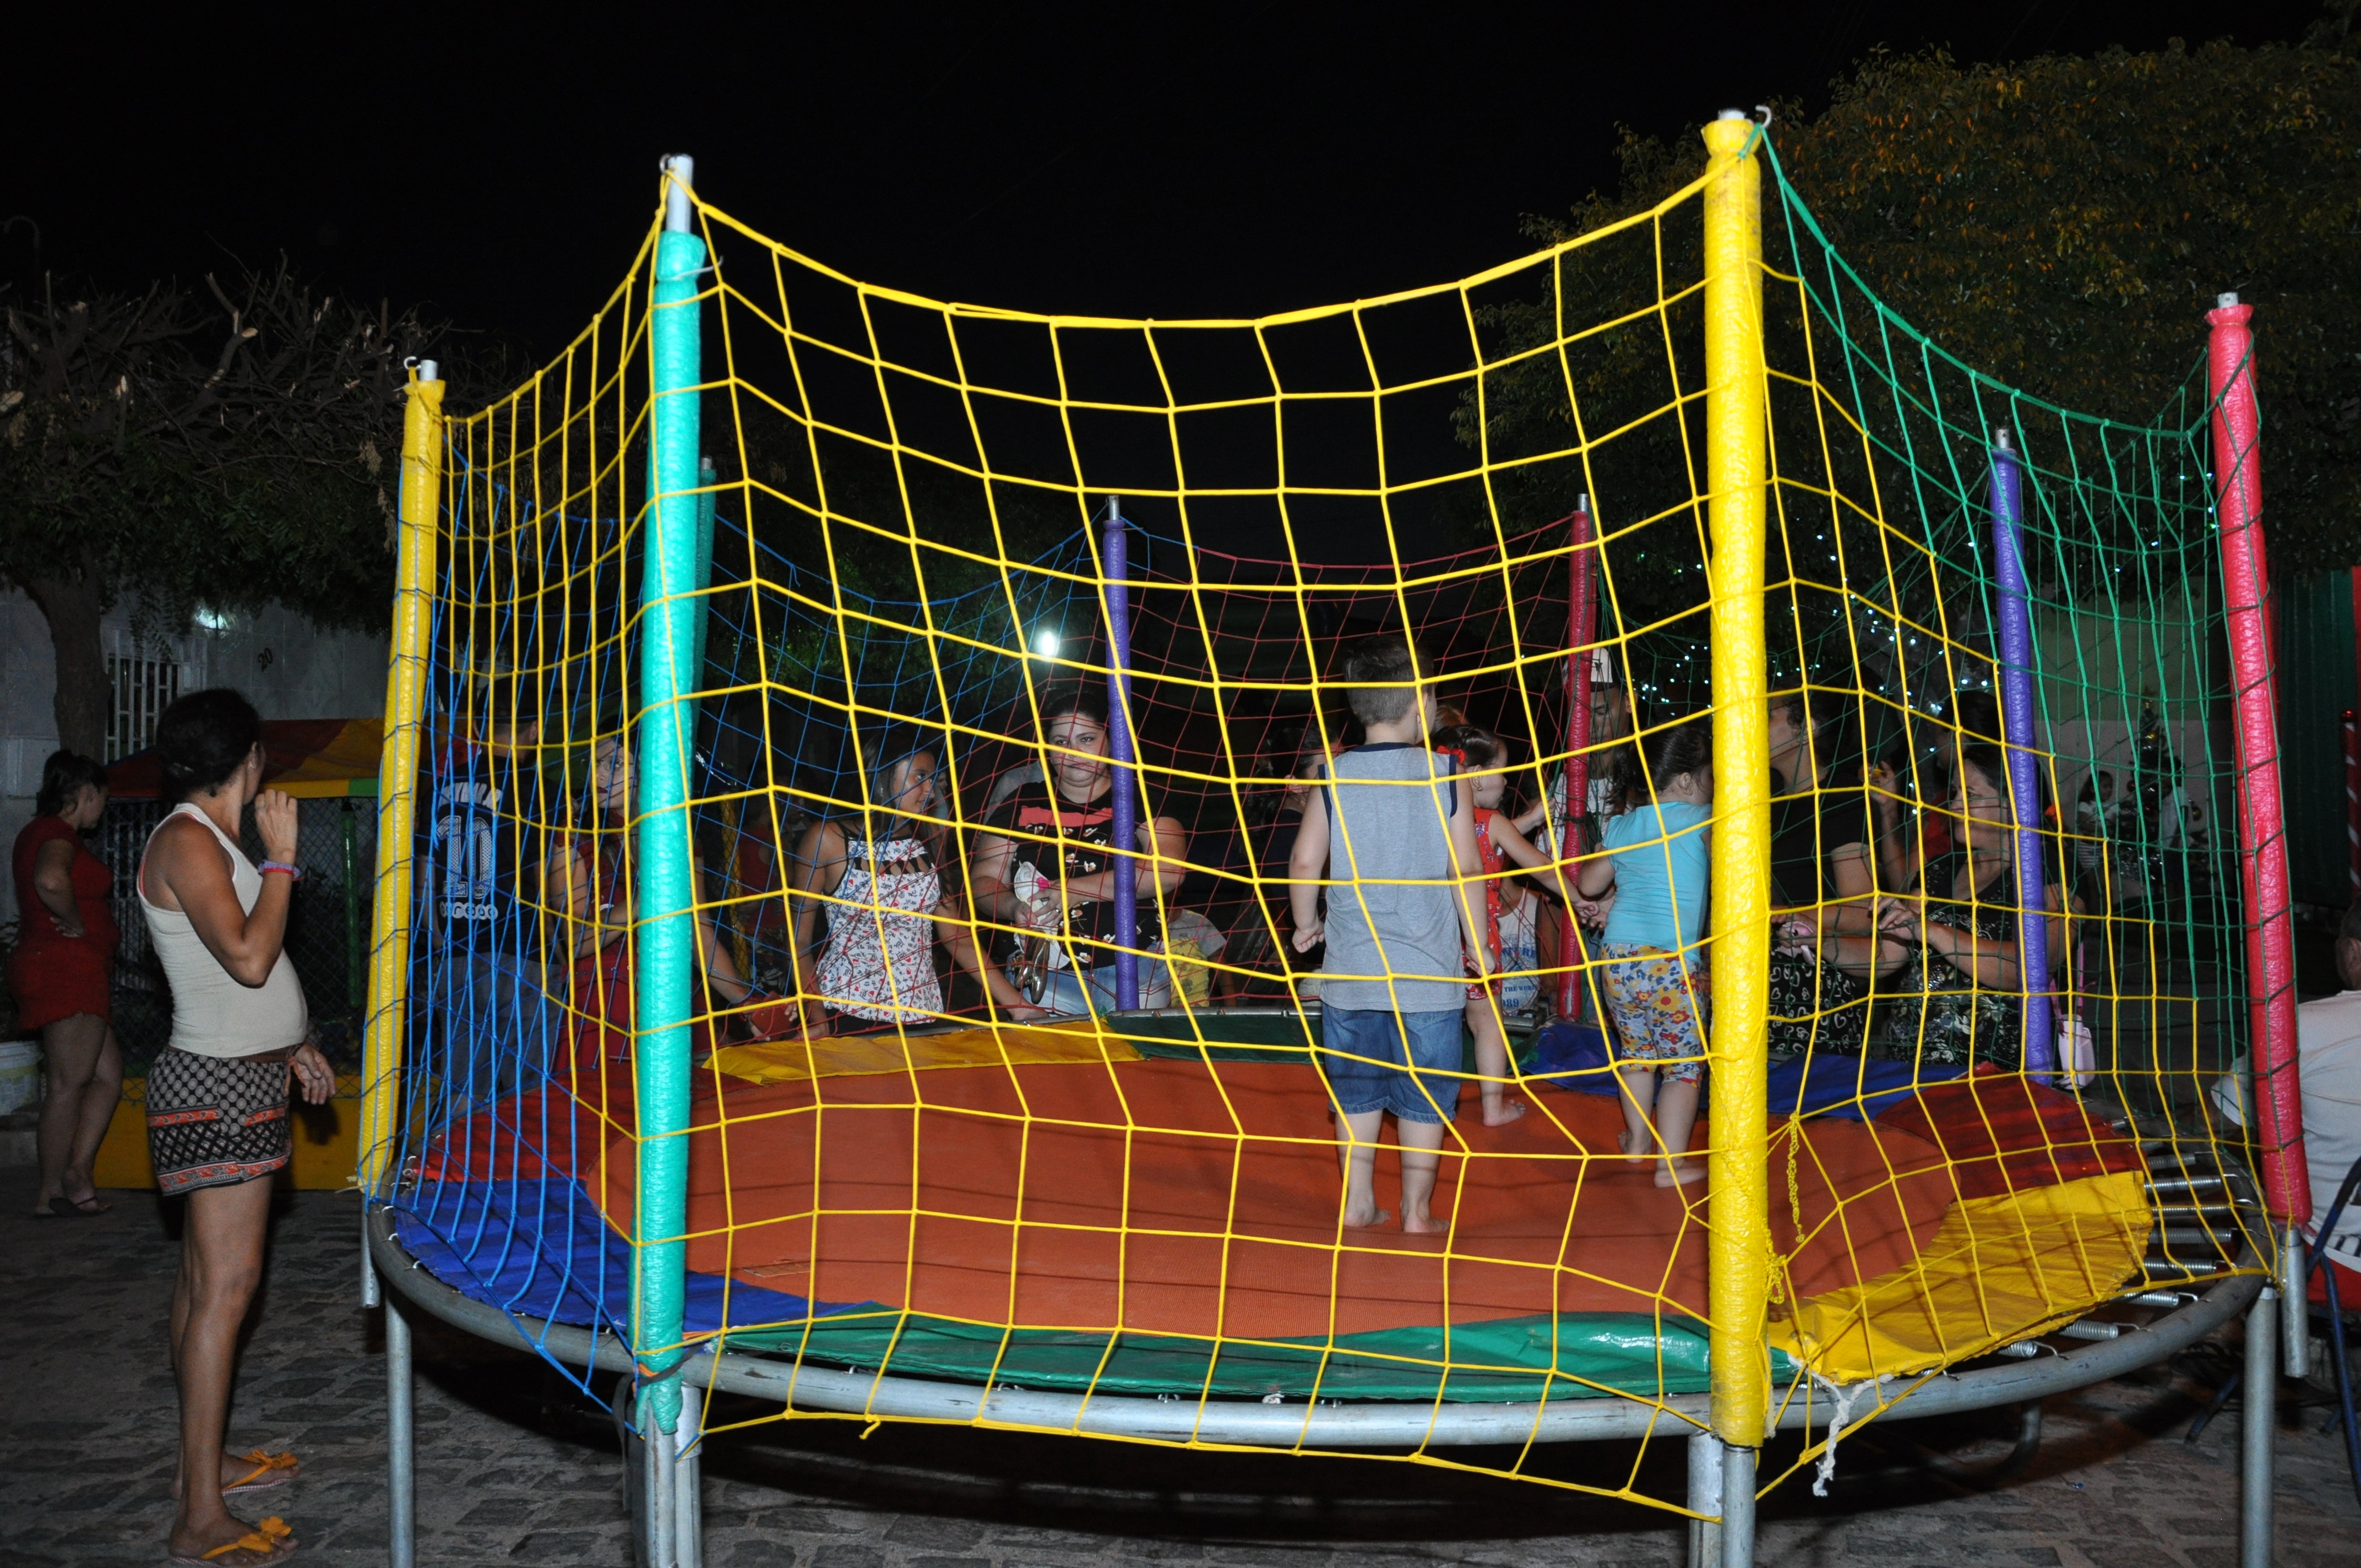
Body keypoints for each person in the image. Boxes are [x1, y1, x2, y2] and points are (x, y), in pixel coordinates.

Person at [137, 689, 335, 1566]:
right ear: (249, 758)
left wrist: (294, 1044)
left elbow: (239, 974)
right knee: (226, 1289)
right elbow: (250, 959)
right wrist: (283, 860)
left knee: (202, 1286)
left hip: (239, 1080)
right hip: (215, 1090)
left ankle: (203, 1468)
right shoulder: (186, 840)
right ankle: (199, 1518)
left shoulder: (207, 842)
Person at [1288, 635, 1491, 1233]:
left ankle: (1357, 1201)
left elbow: (1304, 860)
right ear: (1422, 704)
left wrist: (1306, 924)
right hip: (1427, 977)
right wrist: (1478, 943)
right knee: (1426, 1096)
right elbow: (1465, 868)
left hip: (1352, 976)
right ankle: (1417, 1210)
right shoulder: (1445, 773)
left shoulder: (1332, 775)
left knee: (1356, 1092)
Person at [787, 738, 1043, 1033]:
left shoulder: (929, 837)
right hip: (845, 1010)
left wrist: (1018, 1005)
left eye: (933, 779)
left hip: (919, 1012)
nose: (930, 790)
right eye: (920, 777)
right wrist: (816, 1015)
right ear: (883, 776)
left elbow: (956, 936)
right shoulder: (827, 839)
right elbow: (799, 942)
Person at [972, 684, 1190, 1017]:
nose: (1072, 752)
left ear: (1111, 740)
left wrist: (1072, 890)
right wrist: (1013, 907)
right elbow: (982, 881)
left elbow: (1169, 871)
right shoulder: (1023, 802)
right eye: (1061, 742)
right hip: (1047, 974)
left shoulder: (1141, 797)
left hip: (1135, 969)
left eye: (1086, 739)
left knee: (1134, 1051)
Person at [1872, 741, 2077, 1070]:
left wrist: (1933, 932)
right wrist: (1814, 935)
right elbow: (1884, 958)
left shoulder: (2050, 873)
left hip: (1996, 1074)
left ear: (2013, 804)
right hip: (1910, 1066)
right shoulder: (1942, 869)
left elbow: (2029, 969)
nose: (1955, 805)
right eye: (1955, 793)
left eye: (1970, 795)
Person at [559, 732, 757, 1065]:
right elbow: (575, 941)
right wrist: (642, 903)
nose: (599, 775)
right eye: (594, 763)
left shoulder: (675, 836)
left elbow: (699, 933)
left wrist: (745, 1002)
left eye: (614, 764)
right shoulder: (573, 834)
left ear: (646, 769)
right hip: (602, 1005)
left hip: (669, 997)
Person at [1576, 718, 1713, 1186]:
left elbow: (1589, 883)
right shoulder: (1704, 820)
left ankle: (1637, 1141)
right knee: (1682, 1067)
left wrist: (1615, 861)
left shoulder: (1622, 825)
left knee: (1636, 1054)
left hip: (1618, 959)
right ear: (1687, 780)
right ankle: (1670, 1165)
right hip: (1672, 962)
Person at [1434, 722, 1583, 1126]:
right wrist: (1578, 898)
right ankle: (1493, 1107)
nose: (1506, 780)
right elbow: (1542, 868)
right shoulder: (1491, 821)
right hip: (1476, 940)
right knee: (1487, 1023)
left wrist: (1532, 818)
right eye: (1501, 770)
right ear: (1476, 776)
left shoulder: (1430, 817)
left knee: (1433, 1021)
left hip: (1430, 937)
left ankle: (1428, 1105)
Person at [2211, 900, 2361, 1292]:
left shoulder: (2301, 1029)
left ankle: (2225, 1327)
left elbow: (2218, 1119)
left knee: (2219, 1212)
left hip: (2335, 1267)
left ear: (2351, 951)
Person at [421, 680, 559, 1101]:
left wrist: (438, 938)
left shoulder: (440, 788)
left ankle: (450, 1147)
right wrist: (560, 945)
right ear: (535, 729)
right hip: (521, 955)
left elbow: (425, 873)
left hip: (457, 953)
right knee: (531, 1096)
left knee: (463, 1092)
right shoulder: (540, 790)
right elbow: (551, 881)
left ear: (479, 727)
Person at [9, 749, 125, 1217]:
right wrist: (76, 921)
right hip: (66, 970)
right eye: (103, 800)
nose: (103, 810)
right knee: (67, 1083)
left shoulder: (40, 833)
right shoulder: (56, 834)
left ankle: (76, 1173)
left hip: (74, 969)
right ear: (87, 794)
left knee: (107, 1077)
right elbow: (51, 881)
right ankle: (50, 1193)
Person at [1762, 690, 1888, 1061]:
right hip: (1755, 982)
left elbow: (1862, 912)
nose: (1753, 725)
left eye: (1769, 715)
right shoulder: (1764, 800)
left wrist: (1783, 915)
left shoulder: (1842, 800)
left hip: (1815, 992)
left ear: (1807, 728)